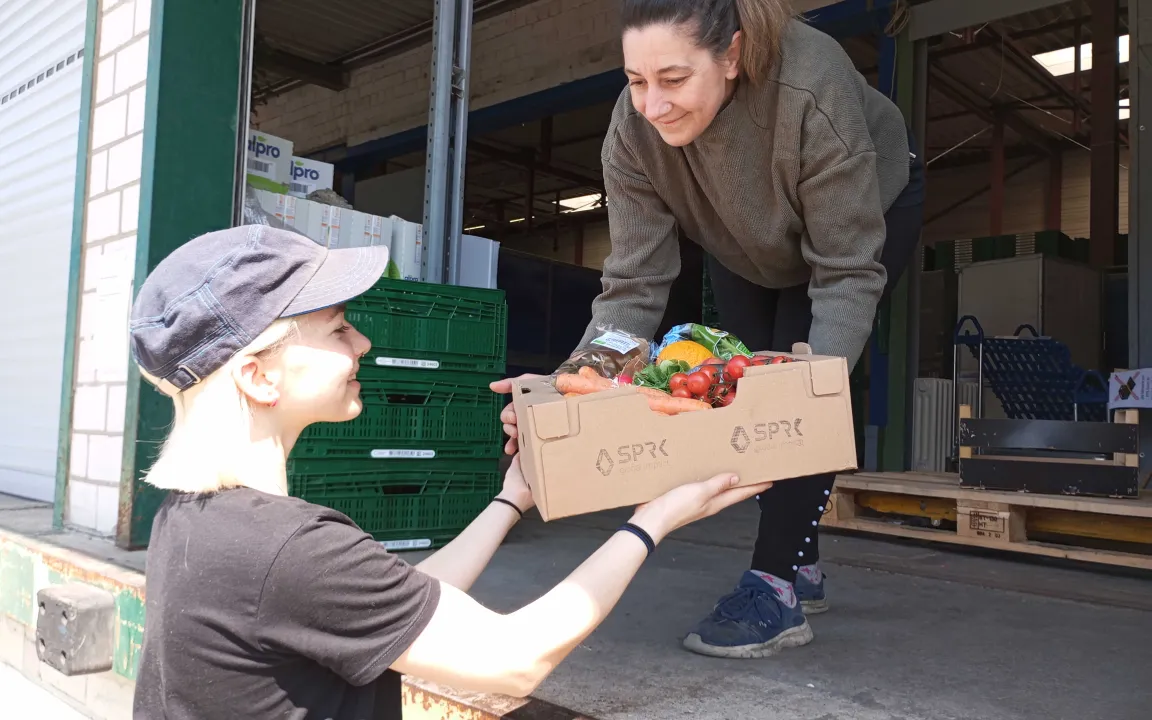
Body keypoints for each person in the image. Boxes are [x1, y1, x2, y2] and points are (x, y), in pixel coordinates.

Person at [128, 224, 771, 719]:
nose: (364, 344)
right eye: (338, 329)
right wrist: (653, 519)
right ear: (257, 375)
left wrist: (512, 497)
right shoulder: (287, 548)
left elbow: (398, 600)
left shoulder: (197, 519)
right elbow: (513, 660)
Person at [491, 0, 926, 660]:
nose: (653, 105)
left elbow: (843, 273)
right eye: (636, 81)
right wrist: (567, 392)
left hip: (862, 219)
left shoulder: (812, 87)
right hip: (741, 241)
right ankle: (802, 558)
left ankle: (775, 584)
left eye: (673, 79)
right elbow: (632, 290)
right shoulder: (631, 135)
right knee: (731, 387)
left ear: (731, 56)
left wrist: (812, 395)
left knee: (794, 384)